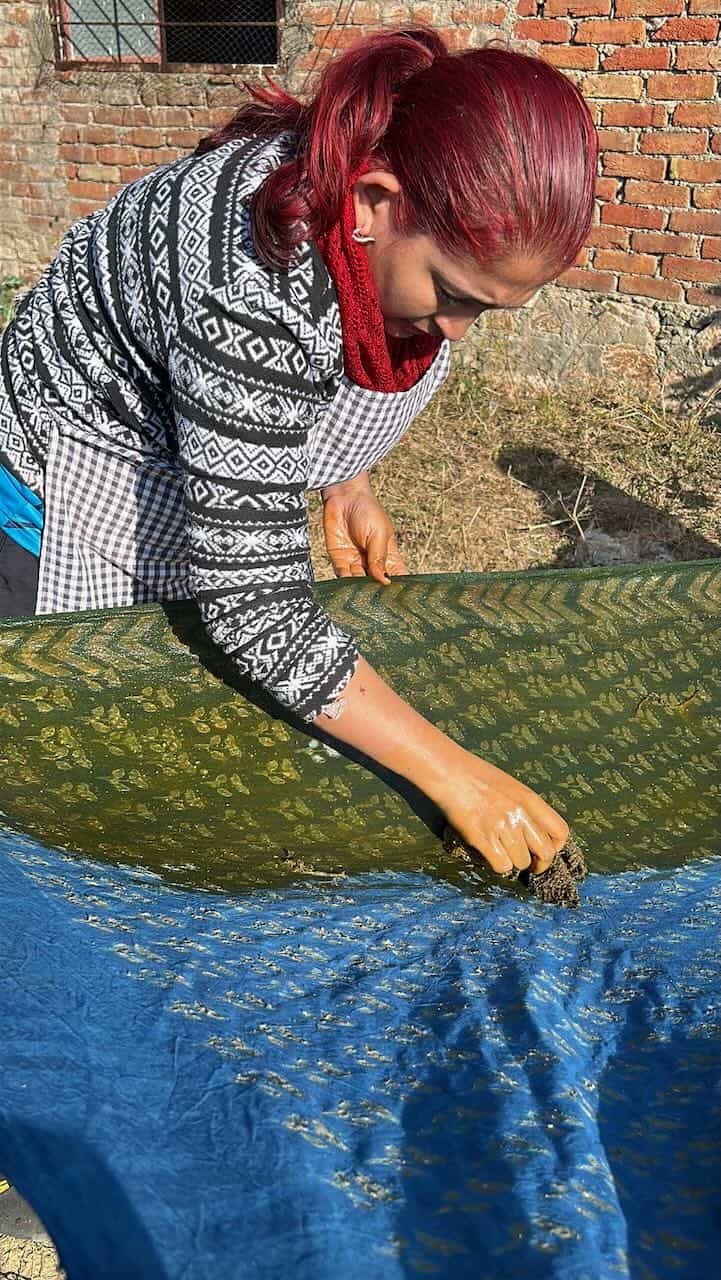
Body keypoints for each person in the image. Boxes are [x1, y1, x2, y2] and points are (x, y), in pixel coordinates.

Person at [0, 27, 598, 876]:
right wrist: (457, 777)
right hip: (59, 484)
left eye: (489, 310)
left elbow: (332, 353)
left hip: (173, 432)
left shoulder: (363, 218)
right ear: (375, 202)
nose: (459, 330)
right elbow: (253, 604)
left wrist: (346, 482)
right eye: (453, 294)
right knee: (59, 768)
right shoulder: (247, 283)